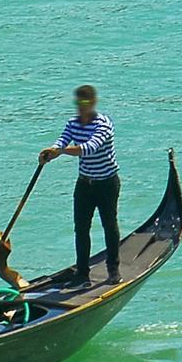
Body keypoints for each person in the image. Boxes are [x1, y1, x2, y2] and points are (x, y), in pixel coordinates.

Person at [38, 83, 122, 279]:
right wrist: (50, 153)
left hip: (107, 183)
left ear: (92, 102)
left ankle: (113, 268)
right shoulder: (73, 123)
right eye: (77, 102)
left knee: (109, 224)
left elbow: (87, 148)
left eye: (84, 102)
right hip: (85, 183)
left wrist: (60, 152)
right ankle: (82, 272)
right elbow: (62, 140)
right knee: (81, 227)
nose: (80, 106)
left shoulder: (103, 125)